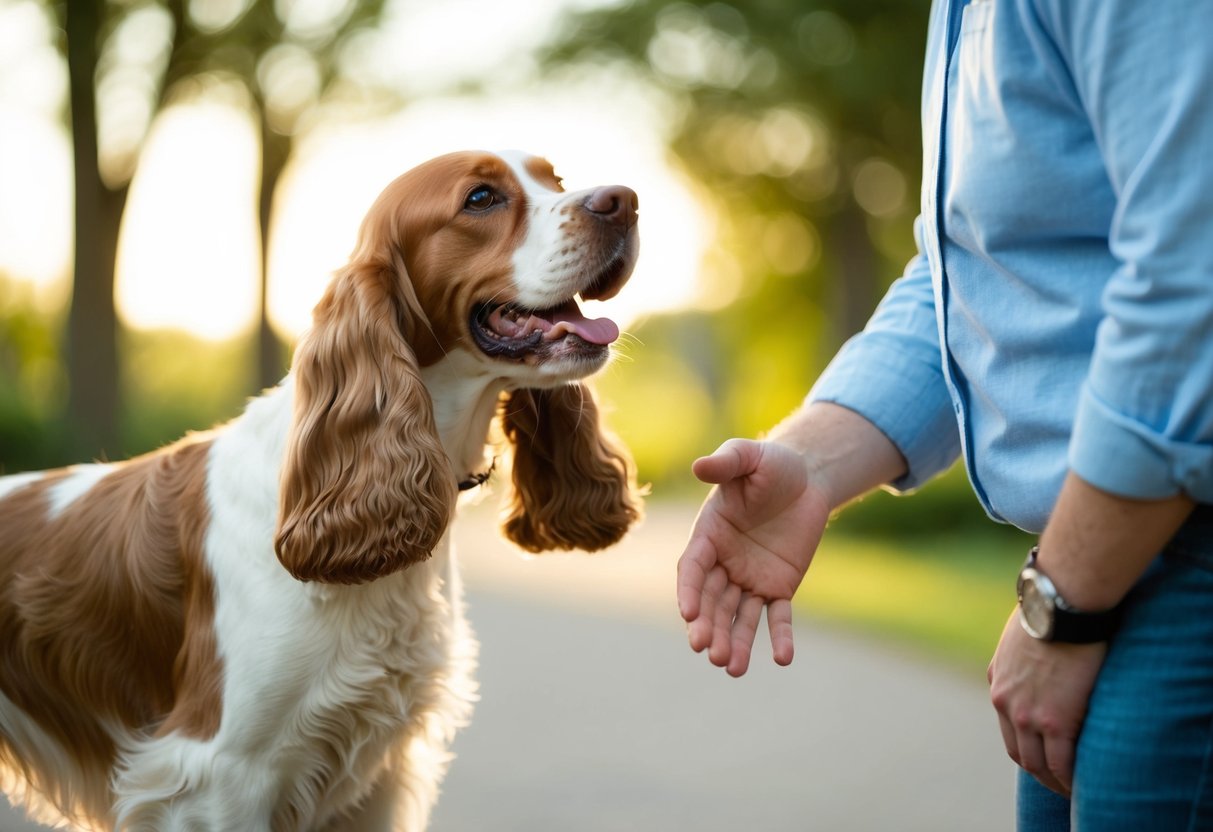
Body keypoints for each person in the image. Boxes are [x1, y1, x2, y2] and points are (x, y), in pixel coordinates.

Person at [675, 1, 1213, 828]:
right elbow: (964, 275)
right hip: (1108, 552)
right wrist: (810, 466)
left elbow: (1193, 276)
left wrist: (1062, 605)